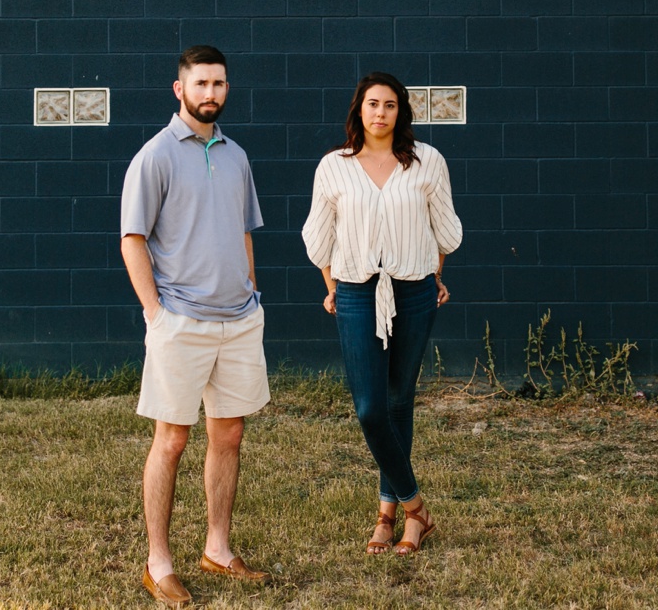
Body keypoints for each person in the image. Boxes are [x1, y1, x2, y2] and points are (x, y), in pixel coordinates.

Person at [120, 45, 271, 607]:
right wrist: (157, 315)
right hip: (180, 322)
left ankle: (219, 548)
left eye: (220, 84)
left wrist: (251, 292)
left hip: (238, 321)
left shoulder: (236, 156)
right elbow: (131, 239)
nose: (212, 93)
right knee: (172, 441)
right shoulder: (155, 156)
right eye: (201, 83)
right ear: (179, 89)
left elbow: (244, 229)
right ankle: (159, 564)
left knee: (228, 435)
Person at [301, 71, 463, 556]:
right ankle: (418, 509)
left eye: (390, 105)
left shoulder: (426, 161)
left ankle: (390, 516)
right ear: (359, 109)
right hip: (355, 293)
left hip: (414, 293)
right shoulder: (335, 166)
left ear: (401, 112)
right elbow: (319, 237)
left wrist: (434, 275)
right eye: (373, 103)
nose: (380, 113)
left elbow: (445, 230)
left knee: (399, 402)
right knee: (371, 409)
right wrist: (333, 289)